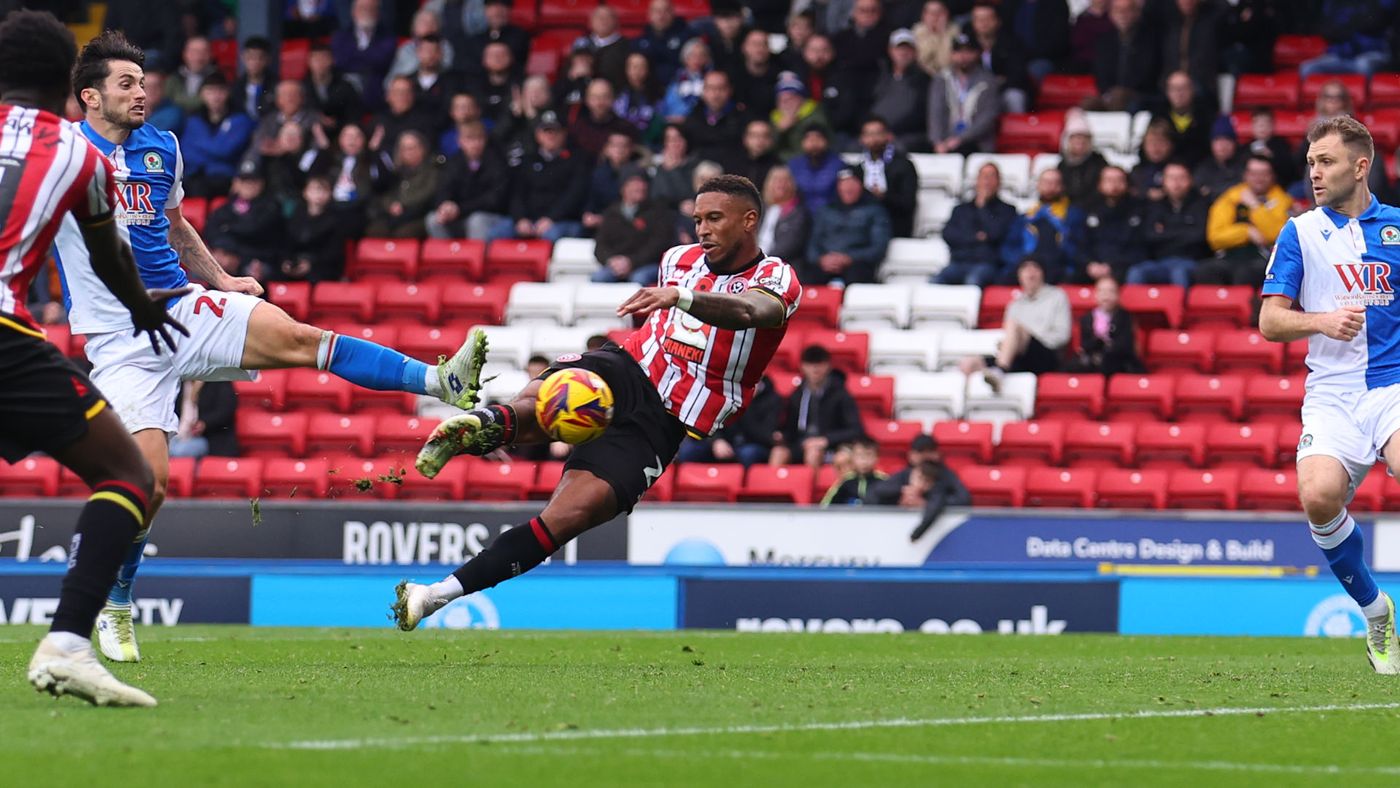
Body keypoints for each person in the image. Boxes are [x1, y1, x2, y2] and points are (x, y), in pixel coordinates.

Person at [53, 32, 487, 664]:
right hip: (121, 338)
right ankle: (116, 602)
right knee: (147, 486)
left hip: (181, 306)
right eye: (125, 84)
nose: (141, 91)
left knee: (299, 336)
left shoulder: (161, 146)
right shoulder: (63, 156)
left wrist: (221, 280)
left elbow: (174, 224)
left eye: (143, 81)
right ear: (89, 97)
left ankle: (439, 382)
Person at [392, 175, 803, 630]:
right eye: (697, 220)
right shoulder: (679, 259)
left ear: (749, 221)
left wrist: (681, 297)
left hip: (667, 418)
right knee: (554, 394)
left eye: (714, 219)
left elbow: (752, 312)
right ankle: (482, 423)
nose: (702, 229)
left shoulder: (775, 276)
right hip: (629, 367)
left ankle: (432, 595)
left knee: (568, 517)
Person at [0, 10, 190, 708]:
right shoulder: (82, 156)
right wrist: (143, 310)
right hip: (4, 334)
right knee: (127, 475)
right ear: (67, 86)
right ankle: (68, 644)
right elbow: (111, 253)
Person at [1257, 115, 1400, 673]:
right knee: (1317, 496)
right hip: (1333, 393)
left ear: (1360, 166)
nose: (1314, 173)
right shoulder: (1300, 232)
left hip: (1392, 386)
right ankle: (1376, 611)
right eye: (1311, 162)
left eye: (1327, 162)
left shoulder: (1397, 230)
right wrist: (1319, 322)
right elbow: (1270, 321)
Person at [961, 258, 1071, 389]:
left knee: (1013, 325)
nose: (1030, 273)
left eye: (1035, 268)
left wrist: (1027, 338)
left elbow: (1062, 335)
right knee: (969, 362)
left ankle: (1000, 370)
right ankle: (967, 404)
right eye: (1025, 269)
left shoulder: (1057, 296)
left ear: (1042, 273)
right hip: (1018, 356)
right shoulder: (1014, 305)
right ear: (1019, 275)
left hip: (1046, 355)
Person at [488, 111, 591, 242]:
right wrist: (520, 219)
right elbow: (517, 194)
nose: (550, 135)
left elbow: (574, 196)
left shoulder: (577, 161)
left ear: (564, 133)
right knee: (495, 234)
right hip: (529, 220)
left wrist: (551, 218)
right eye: (546, 131)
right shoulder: (527, 161)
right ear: (538, 135)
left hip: (561, 221)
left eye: (555, 131)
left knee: (550, 235)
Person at [1197, 154, 1289, 288]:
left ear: (1272, 176)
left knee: (1246, 273)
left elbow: (1275, 235)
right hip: (1228, 256)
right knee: (1205, 270)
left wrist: (1255, 206)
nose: (1259, 178)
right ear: (1245, 175)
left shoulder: (1282, 200)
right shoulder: (1230, 198)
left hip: (1263, 257)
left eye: (1264, 173)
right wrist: (1246, 232)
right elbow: (1215, 237)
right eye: (1254, 173)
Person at [771, 345, 865, 469]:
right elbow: (789, 427)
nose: (815, 368)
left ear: (828, 366)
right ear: (802, 366)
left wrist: (825, 440)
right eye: (810, 364)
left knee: (813, 453)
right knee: (778, 453)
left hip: (830, 446)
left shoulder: (841, 395)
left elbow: (856, 430)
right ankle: (775, 487)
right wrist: (781, 435)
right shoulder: (797, 394)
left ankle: (809, 488)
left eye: (820, 363)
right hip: (800, 443)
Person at [1127, 161, 1208, 287]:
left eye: (1181, 178)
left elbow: (1200, 236)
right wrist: (1183, 231)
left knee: (1179, 273)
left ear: (1190, 180)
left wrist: (1165, 232)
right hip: (1160, 261)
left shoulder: (1201, 205)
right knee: (1136, 272)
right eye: (1171, 178)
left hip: (1190, 260)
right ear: (1163, 181)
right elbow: (1149, 235)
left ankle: (1178, 307)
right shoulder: (1155, 206)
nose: (1176, 183)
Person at [804, 169, 892, 285]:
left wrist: (849, 258)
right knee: (806, 278)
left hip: (858, 265)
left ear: (861, 185)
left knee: (857, 276)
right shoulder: (825, 211)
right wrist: (821, 259)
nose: (848, 188)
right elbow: (812, 245)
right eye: (844, 183)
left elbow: (878, 248)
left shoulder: (875, 211)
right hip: (826, 264)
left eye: (853, 183)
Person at [937, 162, 1018, 286]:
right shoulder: (961, 209)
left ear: (999, 182)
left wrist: (982, 207)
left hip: (987, 265)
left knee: (972, 281)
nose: (987, 181)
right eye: (984, 176)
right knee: (935, 282)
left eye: (992, 176)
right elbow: (948, 234)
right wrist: (977, 237)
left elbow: (996, 234)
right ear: (977, 180)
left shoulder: (1007, 210)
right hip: (958, 263)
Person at [426, 121, 510, 240]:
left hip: (491, 216)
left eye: (479, 139)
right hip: (461, 213)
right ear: (460, 141)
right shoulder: (454, 163)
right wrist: (445, 205)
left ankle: (476, 258)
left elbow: (494, 200)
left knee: (476, 221)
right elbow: (443, 188)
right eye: (470, 139)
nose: (475, 144)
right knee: (433, 219)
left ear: (485, 140)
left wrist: (460, 209)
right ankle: (449, 257)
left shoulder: (497, 162)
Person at [592, 173, 678, 285]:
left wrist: (631, 262)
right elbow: (600, 245)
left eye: (642, 183)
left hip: (646, 264)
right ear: (623, 188)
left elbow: (658, 245)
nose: (640, 187)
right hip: (616, 264)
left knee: (639, 278)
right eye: (635, 183)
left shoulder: (657, 212)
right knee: (599, 278)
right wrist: (611, 261)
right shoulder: (611, 213)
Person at [180, 72, 255, 199]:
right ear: (202, 94)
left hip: (226, 178)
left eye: (220, 91)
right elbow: (186, 153)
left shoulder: (241, 120)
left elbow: (225, 150)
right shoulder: (194, 120)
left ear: (228, 93)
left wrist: (201, 148)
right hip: (194, 176)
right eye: (210, 91)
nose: (215, 97)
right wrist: (214, 149)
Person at [926, 33, 999, 155]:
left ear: (977, 54)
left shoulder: (988, 80)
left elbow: (987, 118)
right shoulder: (942, 78)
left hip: (976, 143)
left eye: (968, 52)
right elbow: (935, 112)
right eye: (958, 52)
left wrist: (960, 139)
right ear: (952, 54)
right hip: (945, 142)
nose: (963, 56)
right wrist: (937, 141)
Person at [1075, 165, 1149, 284]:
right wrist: (1089, 265)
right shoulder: (1087, 209)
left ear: (1127, 184)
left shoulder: (1139, 210)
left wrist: (1112, 266)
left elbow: (1141, 248)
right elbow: (1080, 244)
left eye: (1119, 180)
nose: (1114, 184)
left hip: (1124, 267)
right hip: (1092, 267)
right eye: (1109, 180)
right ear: (1100, 184)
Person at [854, 115, 918, 238]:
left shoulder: (904, 165)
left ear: (889, 136)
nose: (873, 139)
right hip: (861, 227)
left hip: (894, 224)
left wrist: (883, 197)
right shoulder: (857, 169)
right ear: (861, 139)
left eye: (878, 133)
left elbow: (908, 203)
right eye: (868, 134)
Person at [366, 130, 438, 238]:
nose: (408, 152)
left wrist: (403, 205)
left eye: (412, 148)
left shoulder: (433, 169)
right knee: (376, 230)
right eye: (404, 148)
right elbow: (386, 193)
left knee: (404, 233)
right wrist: (391, 205)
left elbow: (428, 193)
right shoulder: (396, 172)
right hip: (394, 214)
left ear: (422, 148)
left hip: (419, 214)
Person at [1067, 276, 1142, 375]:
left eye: (1111, 291)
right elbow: (1085, 345)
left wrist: (1106, 346)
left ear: (1118, 295)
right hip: (1093, 359)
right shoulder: (1086, 318)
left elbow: (1125, 345)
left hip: (1117, 360)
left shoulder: (1124, 317)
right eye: (1102, 291)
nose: (1106, 295)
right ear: (1095, 295)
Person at [870, 28, 929, 152]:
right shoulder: (877, 76)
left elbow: (921, 115)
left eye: (908, 49)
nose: (903, 53)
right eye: (899, 48)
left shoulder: (924, 80)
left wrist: (889, 133)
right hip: (875, 133)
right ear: (890, 51)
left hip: (907, 135)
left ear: (915, 52)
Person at [757, 165, 812, 270]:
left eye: (785, 180)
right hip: (755, 263)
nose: (780, 184)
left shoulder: (798, 213)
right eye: (776, 180)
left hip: (783, 267)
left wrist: (761, 261)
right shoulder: (759, 209)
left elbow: (789, 246)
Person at [788, 125, 843, 213]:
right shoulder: (793, 165)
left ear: (826, 142)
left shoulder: (838, 164)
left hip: (831, 214)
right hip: (800, 214)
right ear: (802, 143)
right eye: (809, 139)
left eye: (818, 138)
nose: (814, 143)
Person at [821, 437, 887, 505]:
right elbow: (825, 505)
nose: (864, 461)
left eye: (868, 455)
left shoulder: (884, 481)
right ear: (852, 458)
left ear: (876, 458)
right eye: (859, 456)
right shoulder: (845, 480)